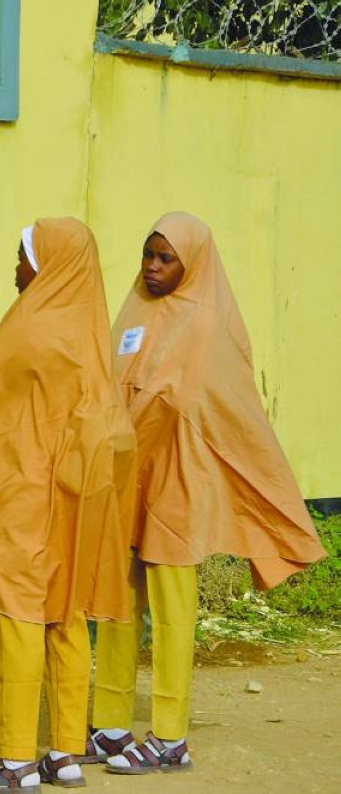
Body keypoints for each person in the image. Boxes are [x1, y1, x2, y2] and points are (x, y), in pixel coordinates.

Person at [86, 212, 327, 774]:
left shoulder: (207, 323)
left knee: (172, 610)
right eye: (148, 255)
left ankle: (170, 736)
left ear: (191, 263)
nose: (151, 267)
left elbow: (216, 407)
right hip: (126, 478)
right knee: (118, 603)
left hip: (176, 480)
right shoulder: (134, 309)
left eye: (165, 259)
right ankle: (113, 724)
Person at [0, 219, 138, 792]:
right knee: (67, 621)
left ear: (50, 264)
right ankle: (62, 752)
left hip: (22, 499)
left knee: (18, 623)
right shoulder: (89, 337)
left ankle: (14, 760)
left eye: (21, 257)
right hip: (75, 503)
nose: (15, 268)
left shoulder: (29, 330)